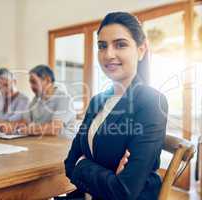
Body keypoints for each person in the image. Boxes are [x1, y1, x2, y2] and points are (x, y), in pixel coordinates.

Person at [63, 12, 168, 200]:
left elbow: (124, 191)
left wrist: (82, 164)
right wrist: (107, 176)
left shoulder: (151, 101)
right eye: (102, 46)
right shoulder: (97, 101)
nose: (108, 54)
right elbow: (69, 163)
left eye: (120, 44)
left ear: (141, 49)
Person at [0, 64, 76, 136]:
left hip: (63, 146)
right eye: (30, 83)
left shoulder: (65, 99)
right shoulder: (36, 100)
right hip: (43, 143)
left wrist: (25, 130)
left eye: (34, 82)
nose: (31, 86)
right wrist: (9, 127)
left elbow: (55, 128)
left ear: (47, 80)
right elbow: (24, 121)